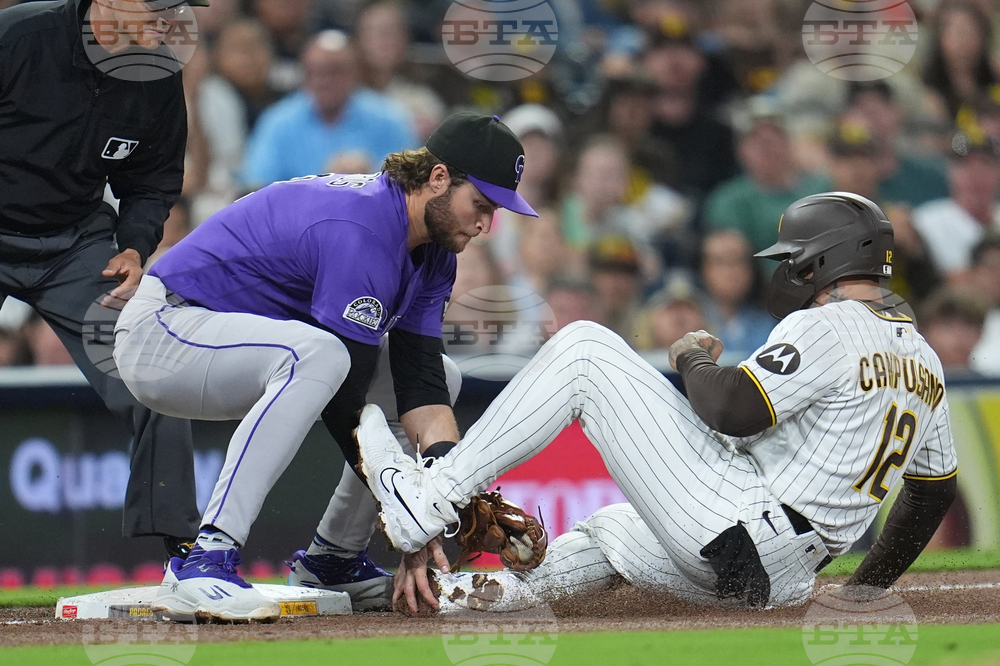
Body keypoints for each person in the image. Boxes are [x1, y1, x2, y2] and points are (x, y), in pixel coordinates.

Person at [357, 192, 958, 614]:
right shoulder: (925, 359)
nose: (787, 269)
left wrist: (692, 357)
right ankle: (459, 598)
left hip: (744, 526)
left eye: (793, 257)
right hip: (783, 571)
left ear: (823, 259)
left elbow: (730, 408)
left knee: (586, 350)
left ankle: (431, 498)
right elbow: (932, 494)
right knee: (611, 533)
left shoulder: (832, 326)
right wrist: (864, 589)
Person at [112, 112, 538, 621]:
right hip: (165, 330)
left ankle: (333, 562)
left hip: (232, 340)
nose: (486, 225)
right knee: (321, 356)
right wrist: (410, 519)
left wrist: (451, 490)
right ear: (439, 178)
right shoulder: (363, 227)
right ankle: (205, 558)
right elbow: (346, 404)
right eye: (482, 205)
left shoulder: (432, 248)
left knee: (444, 374)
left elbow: (421, 382)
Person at [0, 0, 209, 556]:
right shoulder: (17, 37)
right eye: (160, 3)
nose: (172, 17)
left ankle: (186, 550)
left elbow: (155, 178)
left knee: (155, 371)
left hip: (75, 242)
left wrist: (136, 245)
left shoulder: (159, 72)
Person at [240, 29, 416, 189]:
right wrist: (320, 184)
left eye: (334, 71)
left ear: (355, 72)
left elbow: (414, 187)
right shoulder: (278, 121)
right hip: (298, 221)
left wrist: (371, 179)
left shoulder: (390, 119)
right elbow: (255, 186)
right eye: (313, 71)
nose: (322, 81)